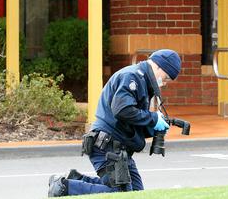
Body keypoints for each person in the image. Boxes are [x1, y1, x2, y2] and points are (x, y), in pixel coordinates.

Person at [47, 49, 182, 197]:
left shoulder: (142, 81)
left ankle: (75, 180)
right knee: (120, 193)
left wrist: (153, 127)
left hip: (119, 149)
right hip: (106, 146)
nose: (164, 83)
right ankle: (64, 187)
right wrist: (153, 119)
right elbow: (122, 110)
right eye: (166, 77)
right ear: (158, 66)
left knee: (135, 194)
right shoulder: (132, 77)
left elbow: (131, 119)